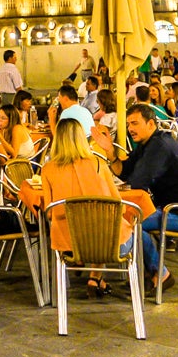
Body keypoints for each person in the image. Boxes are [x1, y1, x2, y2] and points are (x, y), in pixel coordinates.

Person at [103, 104, 178, 292]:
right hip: (175, 208)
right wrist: (111, 154)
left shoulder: (160, 145)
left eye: (135, 123)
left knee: (131, 225)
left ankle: (160, 273)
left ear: (151, 124)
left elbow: (137, 183)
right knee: (131, 221)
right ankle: (152, 272)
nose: (130, 129)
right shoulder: (148, 144)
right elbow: (126, 172)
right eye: (129, 124)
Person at [39, 117, 123, 293]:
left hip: (66, 239)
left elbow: (49, 211)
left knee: (88, 225)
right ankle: (95, 277)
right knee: (109, 225)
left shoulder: (48, 169)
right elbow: (116, 203)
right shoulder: (98, 163)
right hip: (104, 240)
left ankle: (90, 273)